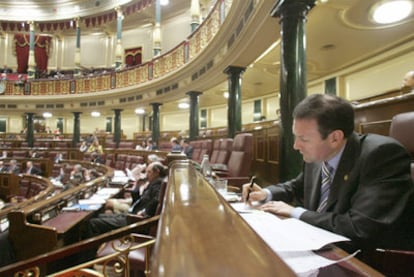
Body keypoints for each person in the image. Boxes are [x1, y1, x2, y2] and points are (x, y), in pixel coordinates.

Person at [242, 94, 414, 255]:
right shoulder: (318, 155)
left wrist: (296, 212)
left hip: (368, 258)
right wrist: (266, 193)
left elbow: (359, 227)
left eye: (304, 139)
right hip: (322, 247)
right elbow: (297, 186)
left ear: (335, 138)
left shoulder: (381, 155)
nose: (296, 146)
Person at [85, 161, 167, 238]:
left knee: (93, 223)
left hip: (135, 220)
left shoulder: (159, 184)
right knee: (99, 216)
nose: (146, 175)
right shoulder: (153, 183)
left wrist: (145, 211)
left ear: (157, 172)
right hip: (131, 214)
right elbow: (137, 200)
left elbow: (157, 200)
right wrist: (137, 186)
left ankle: (91, 251)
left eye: (149, 172)